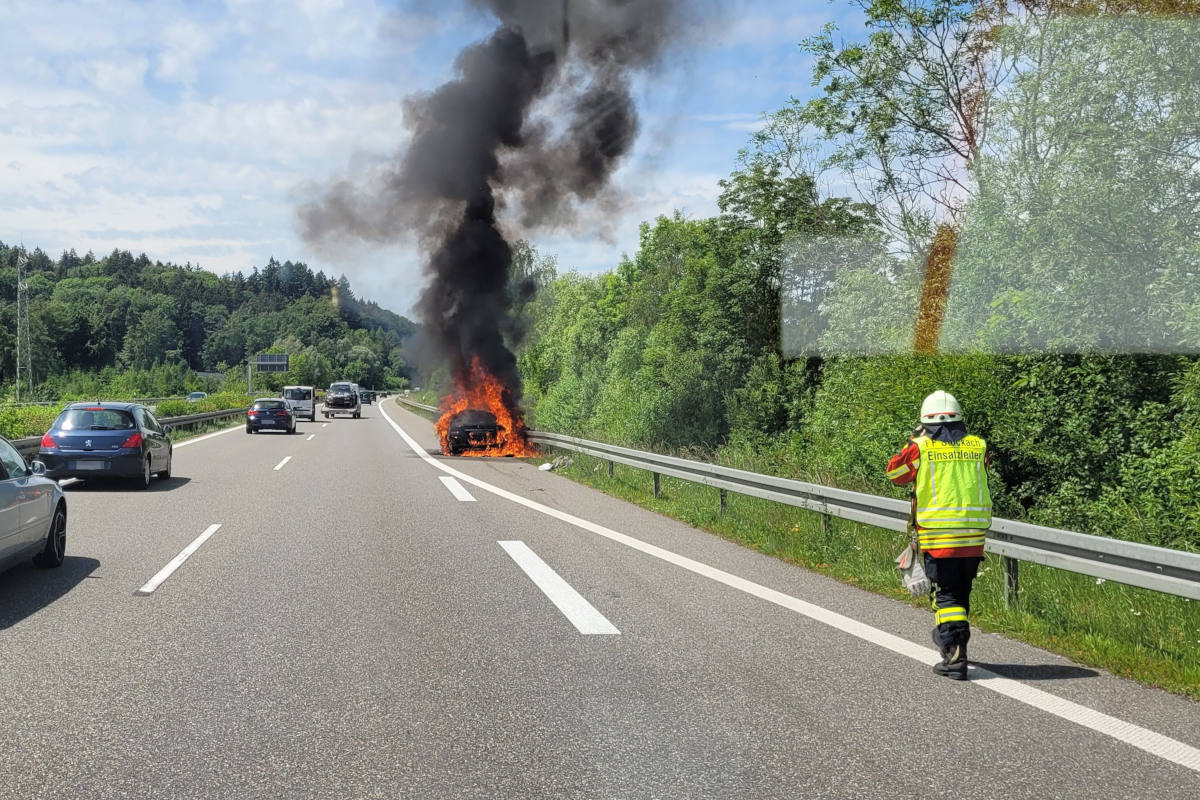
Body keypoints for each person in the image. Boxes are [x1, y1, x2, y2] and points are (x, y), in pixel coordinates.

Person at [886, 390, 991, 680]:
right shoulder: (978, 445)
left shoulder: (920, 447)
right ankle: (954, 642)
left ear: (925, 422)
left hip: (940, 536)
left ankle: (954, 654)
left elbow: (894, 474)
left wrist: (913, 439)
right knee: (959, 593)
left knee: (945, 596)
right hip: (973, 537)